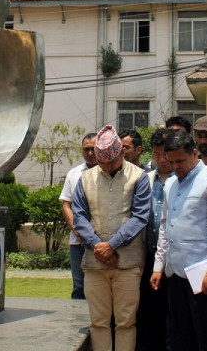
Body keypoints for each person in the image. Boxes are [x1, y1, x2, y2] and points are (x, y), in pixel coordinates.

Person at [73, 125, 151, 351]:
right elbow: (79, 217)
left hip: (128, 263)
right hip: (94, 262)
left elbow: (140, 216)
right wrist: (99, 247)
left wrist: (112, 245)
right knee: (98, 321)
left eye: (111, 162)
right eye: (102, 162)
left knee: (126, 322)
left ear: (121, 154)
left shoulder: (139, 177)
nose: (106, 167)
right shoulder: (85, 178)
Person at [151, 130, 207, 351]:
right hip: (175, 271)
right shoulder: (171, 184)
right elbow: (166, 227)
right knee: (181, 336)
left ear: (195, 153)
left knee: (206, 336)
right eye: (172, 162)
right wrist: (158, 266)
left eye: (181, 161)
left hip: (201, 272)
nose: (176, 166)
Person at [136, 128, 174, 351]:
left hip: (175, 263)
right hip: (148, 260)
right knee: (148, 316)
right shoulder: (145, 180)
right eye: (157, 154)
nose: (162, 159)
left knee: (174, 319)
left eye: (165, 154)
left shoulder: (183, 179)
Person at [59, 132, 98, 299]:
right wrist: (79, 232)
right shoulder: (74, 174)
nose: (90, 153)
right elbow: (66, 205)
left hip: (102, 241)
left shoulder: (109, 171)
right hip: (78, 242)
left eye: (93, 149)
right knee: (79, 286)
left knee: (101, 286)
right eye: (86, 149)